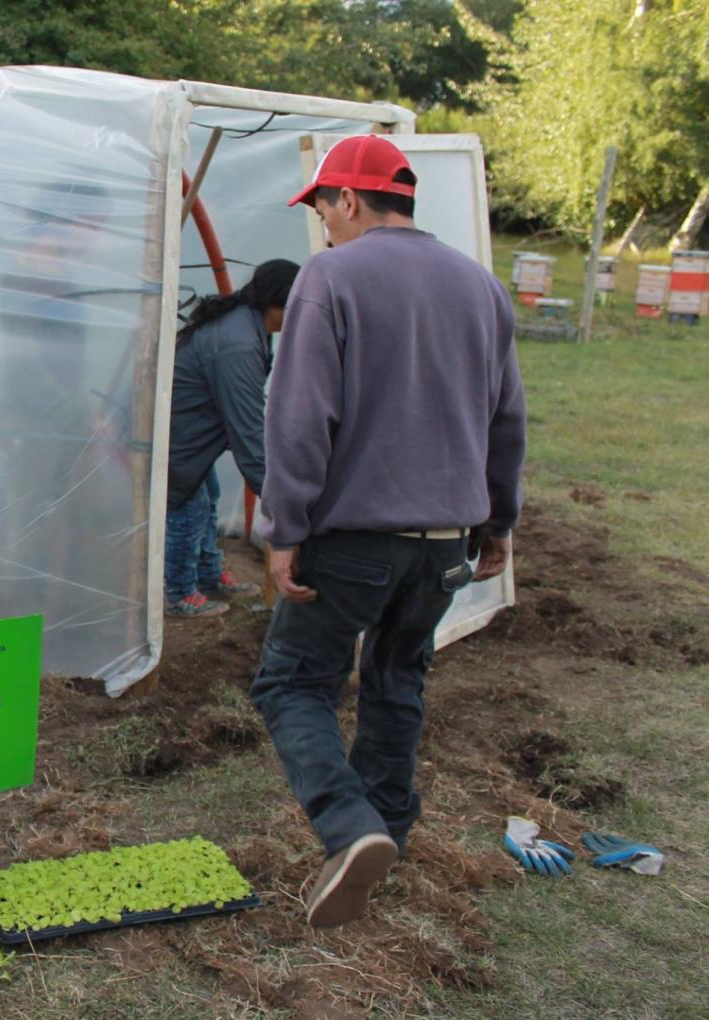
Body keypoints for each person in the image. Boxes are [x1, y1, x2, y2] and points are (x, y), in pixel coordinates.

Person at [249, 135, 525, 928]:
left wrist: (284, 527)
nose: (323, 225)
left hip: (356, 539)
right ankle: (382, 843)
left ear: (350, 201)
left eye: (323, 208)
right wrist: (498, 519)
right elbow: (505, 419)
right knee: (398, 679)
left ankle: (349, 828)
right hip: (445, 542)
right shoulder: (481, 286)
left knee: (292, 683)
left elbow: (301, 416)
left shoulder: (330, 277)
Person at [165, 259, 300, 618]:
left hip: (193, 434)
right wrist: (280, 506)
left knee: (207, 498)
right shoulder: (238, 343)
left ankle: (209, 575)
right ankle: (179, 593)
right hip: (180, 437)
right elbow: (248, 435)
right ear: (279, 302)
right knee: (187, 510)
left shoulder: (249, 323)